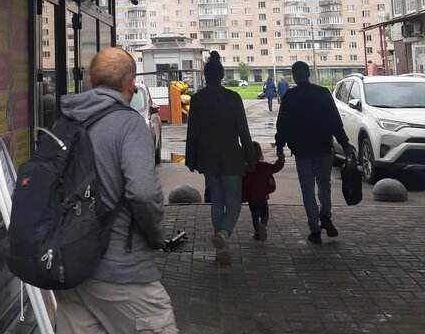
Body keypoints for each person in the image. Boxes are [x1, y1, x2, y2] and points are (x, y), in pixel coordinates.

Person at [54, 48, 178, 334]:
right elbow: (143, 193)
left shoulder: (65, 123)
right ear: (132, 84)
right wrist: (156, 235)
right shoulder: (129, 124)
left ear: (90, 81)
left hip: (72, 271)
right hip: (123, 272)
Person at [184, 51, 256, 266]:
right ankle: (223, 234)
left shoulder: (198, 100)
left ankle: (221, 250)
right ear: (222, 75)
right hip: (232, 157)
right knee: (233, 203)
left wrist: (190, 158)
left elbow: (193, 132)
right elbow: (243, 131)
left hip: (209, 159)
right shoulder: (233, 98)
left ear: (205, 76)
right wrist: (251, 157)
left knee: (216, 201)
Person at [275, 61, 355, 244]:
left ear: (294, 76)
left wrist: (280, 146)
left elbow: (283, 124)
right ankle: (325, 215)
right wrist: (345, 143)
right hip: (323, 148)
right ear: (309, 74)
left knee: (307, 190)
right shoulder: (322, 93)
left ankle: (314, 229)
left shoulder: (290, 96)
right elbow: (335, 121)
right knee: (324, 185)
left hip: (302, 151)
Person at [242, 142, 285, 241]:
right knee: (265, 214)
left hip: (251, 197)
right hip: (263, 195)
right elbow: (277, 167)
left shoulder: (245, 169)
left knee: (254, 215)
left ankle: (257, 232)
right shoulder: (264, 166)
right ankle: (263, 225)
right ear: (260, 154)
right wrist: (281, 158)